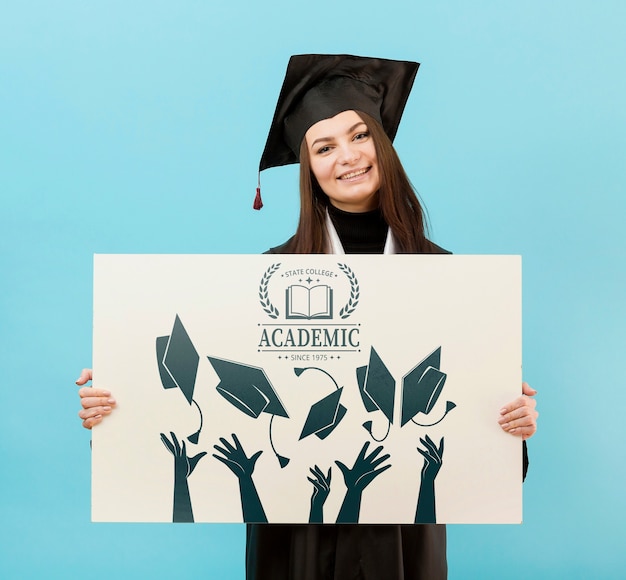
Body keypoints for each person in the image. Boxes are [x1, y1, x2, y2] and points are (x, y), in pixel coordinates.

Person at [77, 54, 539, 579]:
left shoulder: (449, 279)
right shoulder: (268, 278)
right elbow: (202, 402)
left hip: (405, 541)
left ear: (383, 147)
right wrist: (117, 410)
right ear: (309, 168)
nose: (348, 156)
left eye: (360, 136)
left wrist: (510, 428)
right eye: (324, 147)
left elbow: (478, 459)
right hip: (292, 537)